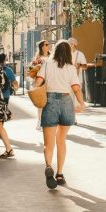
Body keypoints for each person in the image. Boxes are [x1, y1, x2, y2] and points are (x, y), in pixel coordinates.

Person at [34, 40, 84, 189]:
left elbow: (37, 83)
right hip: (66, 102)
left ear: (55, 50)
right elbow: (75, 88)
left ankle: (49, 166)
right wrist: (81, 103)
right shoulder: (70, 68)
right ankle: (60, 174)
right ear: (69, 52)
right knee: (61, 140)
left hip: (50, 102)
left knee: (48, 143)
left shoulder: (47, 64)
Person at [29, 40, 51, 132]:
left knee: (49, 102)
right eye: (46, 44)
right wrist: (37, 66)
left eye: (48, 44)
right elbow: (31, 70)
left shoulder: (52, 56)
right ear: (42, 46)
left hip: (50, 81)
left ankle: (48, 121)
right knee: (41, 102)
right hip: (40, 81)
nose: (48, 46)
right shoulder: (37, 58)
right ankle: (40, 121)